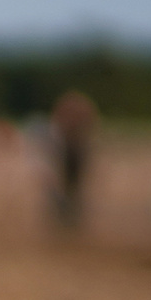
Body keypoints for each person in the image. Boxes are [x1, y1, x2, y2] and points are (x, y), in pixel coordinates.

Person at [51, 90, 99, 233]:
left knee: (72, 185)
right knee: (70, 185)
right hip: (72, 151)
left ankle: (70, 216)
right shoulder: (83, 110)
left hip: (74, 151)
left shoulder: (68, 110)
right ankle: (68, 216)